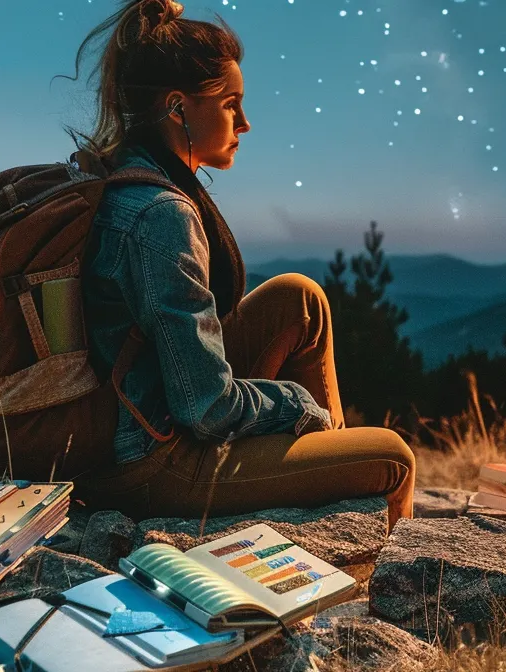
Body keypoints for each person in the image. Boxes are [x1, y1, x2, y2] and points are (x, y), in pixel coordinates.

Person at [68, 0, 415, 527]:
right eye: (231, 104)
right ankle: (385, 575)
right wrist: (295, 406)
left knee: (300, 299)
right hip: (153, 461)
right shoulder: (162, 214)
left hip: (143, 415)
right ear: (179, 108)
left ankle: (328, 461)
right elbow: (205, 408)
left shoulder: (126, 171)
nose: (246, 123)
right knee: (393, 458)